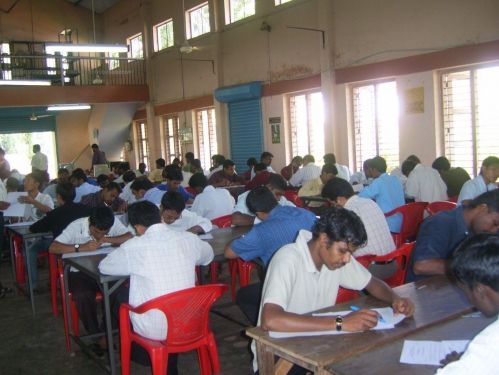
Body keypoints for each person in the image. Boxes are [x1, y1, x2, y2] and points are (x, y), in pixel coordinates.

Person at [254, 207, 414, 373]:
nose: (347, 259)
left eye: (350, 253)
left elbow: (371, 282)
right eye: (343, 251)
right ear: (324, 239)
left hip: (316, 344)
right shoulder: (288, 259)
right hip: (278, 352)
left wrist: (396, 299)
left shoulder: (335, 257)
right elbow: (271, 320)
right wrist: (341, 322)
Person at [99, 201, 214, 373]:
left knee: (121, 298)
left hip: (155, 329)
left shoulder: (134, 247)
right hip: (191, 321)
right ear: (160, 216)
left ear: (137, 227)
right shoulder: (188, 238)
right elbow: (209, 256)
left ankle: (136, 353)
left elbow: (104, 267)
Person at [225, 186, 317, 324]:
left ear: (258, 213)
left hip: (288, 289)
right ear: (274, 199)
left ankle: (265, 328)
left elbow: (229, 253)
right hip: (315, 280)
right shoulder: (305, 214)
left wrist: (240, 238)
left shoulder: (261, 232)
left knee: (243, 296)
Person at [49, 207, 132, 353]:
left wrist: (107, 239)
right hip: (79, 271)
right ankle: (97, 336)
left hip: (106, 268)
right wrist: (80, 247)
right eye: (96, 232)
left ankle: (107, 332)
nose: (99, 235)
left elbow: (129, 237)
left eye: (104, 232)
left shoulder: (112, 223)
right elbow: (53, 247)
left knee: (119, 292)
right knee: (82, 295)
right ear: (90, 223)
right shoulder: (76, 226)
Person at [433, 234, 499, 374]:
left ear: (479, 291)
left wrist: (465, 365)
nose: (469, 300)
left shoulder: (490, 344)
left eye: (465, 292)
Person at [407, 189, 499, 282]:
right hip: (426, 289)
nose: (494, 230)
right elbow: (421, 266)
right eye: (495, 223)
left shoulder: (479, 230)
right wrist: (468, 267)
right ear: (482, 208)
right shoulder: (440, 223)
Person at [28, 182, 91, 290]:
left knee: (31, 249)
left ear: (58, 196)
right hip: (87, 249)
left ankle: (34, 285)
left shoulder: (55, 214)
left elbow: (34, 228)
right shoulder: (87, 209)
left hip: (65, 253)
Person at [321, 178, 395, 257]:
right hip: (394, 259)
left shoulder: (347, 212)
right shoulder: (369, 202)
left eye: (330, 204)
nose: (331, 208)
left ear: (339, 200)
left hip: (370, 264)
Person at [358, 156, 405, 233]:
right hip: (402, 221)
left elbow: (361, 195)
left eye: (370, 170)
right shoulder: (396, 179)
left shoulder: (378, 182)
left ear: (374, 169)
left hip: (388, 223)